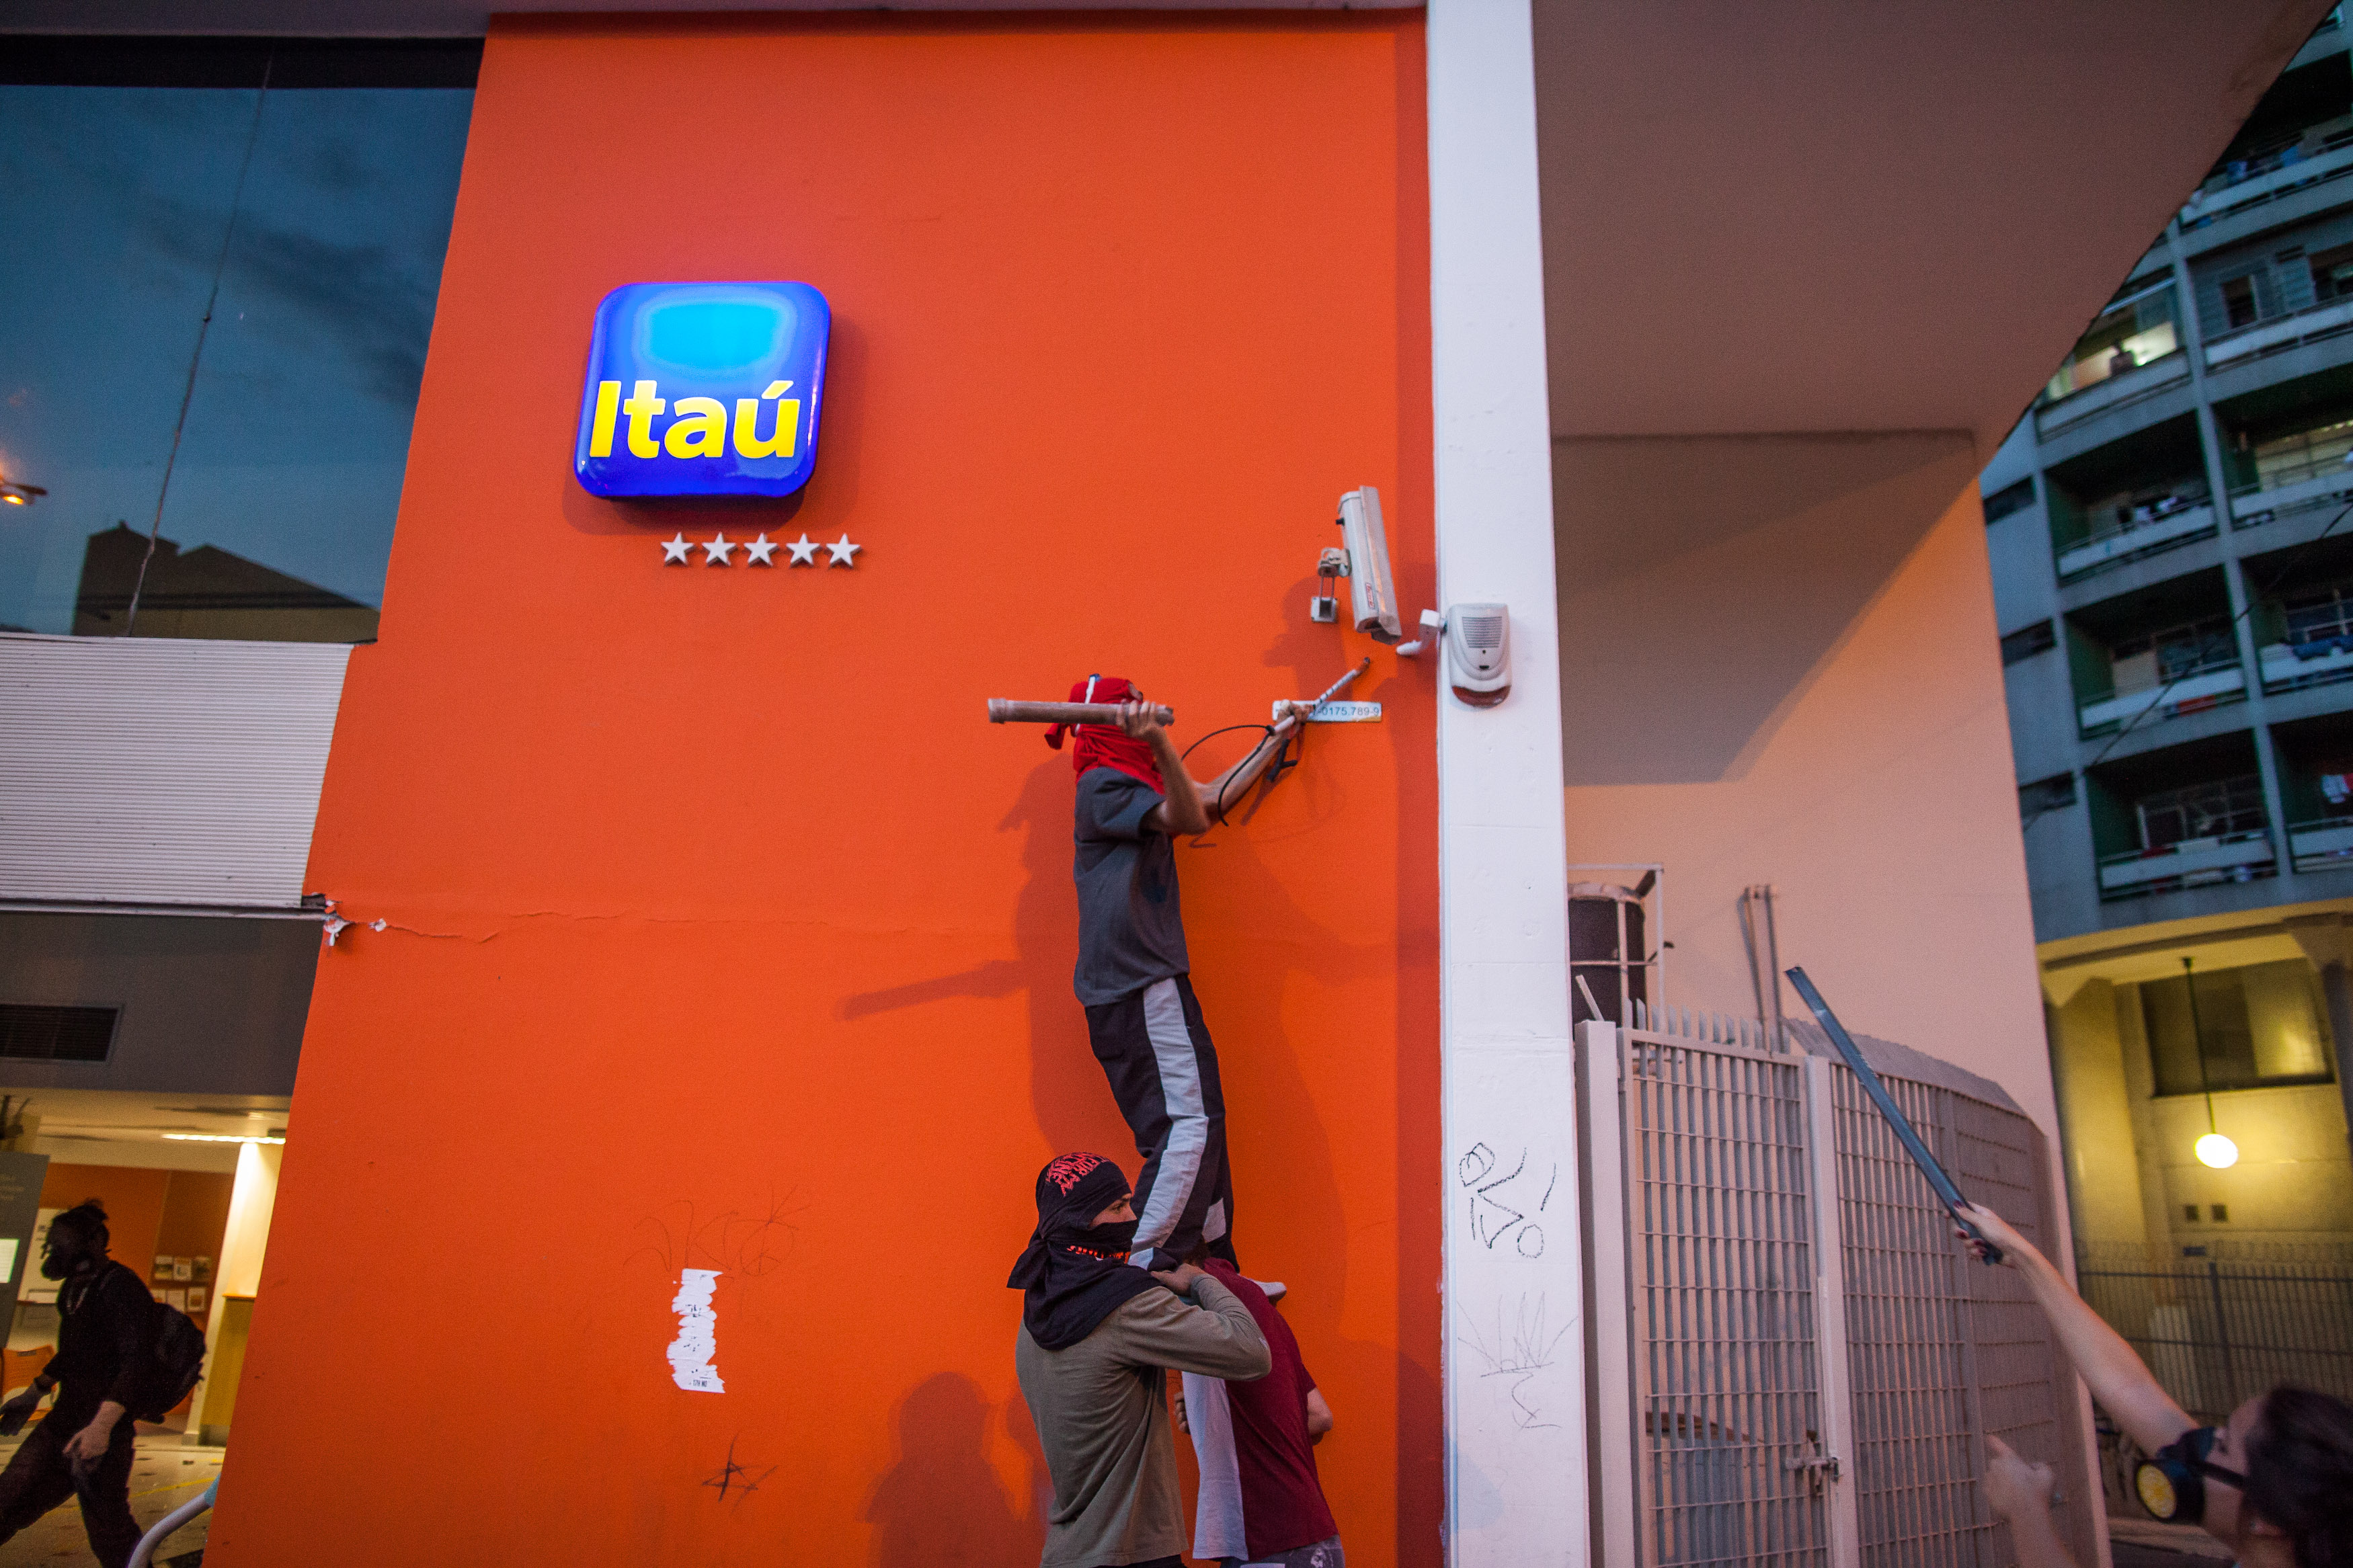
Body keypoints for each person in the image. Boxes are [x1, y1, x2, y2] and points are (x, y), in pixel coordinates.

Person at [1049, 675, 1298, 1272]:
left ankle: (1213, 1274)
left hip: (1145, 985)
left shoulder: (1127, 786)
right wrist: (1160, 743)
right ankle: (1141, 1271)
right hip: (1139, 985)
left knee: (1207, 1129)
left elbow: (1207, 799)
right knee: (1187, 1129)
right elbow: (1194, 819)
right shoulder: (1103, 785)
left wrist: (1275, 740)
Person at [1956, 1202, 2353, 1568]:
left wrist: (2027, 1513)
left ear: (2268, 1518)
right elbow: (2134, 1392)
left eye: (2223, 1445)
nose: (2197, 1439)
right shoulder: (2281, 1546)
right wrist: (2026, 1258)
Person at [1010, 1152, 1271, 1568]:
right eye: (1117, 1207)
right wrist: (1201, 1279)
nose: (1132, 1217)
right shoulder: (1125, 1304)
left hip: (1067, 1554)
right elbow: (1251, 1350)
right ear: (1080, 1219)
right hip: (1134, 1553)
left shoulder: (1034, 1315)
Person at [0, 1200, 154, 1568]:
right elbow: (73, 1353)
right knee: (8, 1500)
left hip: (101, 1431)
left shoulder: (121, 1288)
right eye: (51, 1245)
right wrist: (34, 1393)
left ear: (94, 1242)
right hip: (64, 1420)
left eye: (60, 1244)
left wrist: (101, 1428)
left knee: (110, 1532)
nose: (52, 1253)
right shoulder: (75, 1287)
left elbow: (136, 1363)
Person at [1173, 1258, 1342, 1568]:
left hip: (1266, 1535)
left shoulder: (1205, 1298)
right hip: (1309, 1536)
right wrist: (1216, 1419)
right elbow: (1319, 1415)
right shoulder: (1264, 1311)